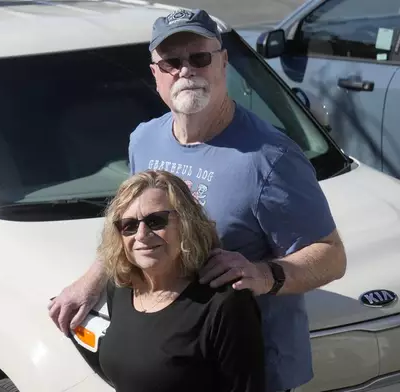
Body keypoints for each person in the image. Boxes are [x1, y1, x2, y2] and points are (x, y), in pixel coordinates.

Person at [48, 8, 347, 392]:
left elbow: (331, 255)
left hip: (249, 373)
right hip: (176, 367)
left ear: (223, 63)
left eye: (199, 58)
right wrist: (91, 282)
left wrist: (264, 273)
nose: (185, 70)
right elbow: (136, 226)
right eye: (172, 62)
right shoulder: (144, 139)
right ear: (156, 73)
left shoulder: (270, 158)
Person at [97, 170, 265, 392]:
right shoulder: (120, 288)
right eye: (128, 225)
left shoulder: (224, 304)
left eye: (156, 221)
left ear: (186, 224)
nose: (141, 235)